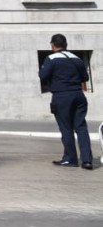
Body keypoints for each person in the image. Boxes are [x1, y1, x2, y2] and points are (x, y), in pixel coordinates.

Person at [40, 34, 93, 170]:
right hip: (78, 95)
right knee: (81, 127)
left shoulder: (51, 58)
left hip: (62, 96)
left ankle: (70, 158)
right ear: (66, 44)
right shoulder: (77, 59)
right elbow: (85, 78)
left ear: (53, 44)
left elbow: (43, 76)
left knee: (66, 127)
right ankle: (87, 160)